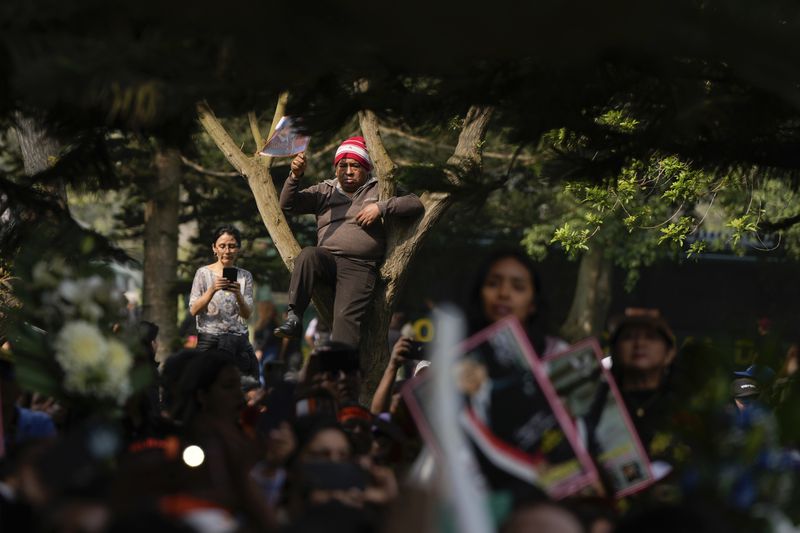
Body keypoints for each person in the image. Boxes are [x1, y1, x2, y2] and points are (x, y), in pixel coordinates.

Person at [273, 137, 424, 346]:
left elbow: (415, 203)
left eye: (355, 165)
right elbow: (288, 204)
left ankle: (343, 371)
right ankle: (294, 318)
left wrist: (380, 207)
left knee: (344, 321)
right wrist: (295, 176)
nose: (348, 171)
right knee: (307, 255)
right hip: (326, 260)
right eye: (342, 165)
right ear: (336, 169)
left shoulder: (380, 188)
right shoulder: (324, 190)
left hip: (359, 266)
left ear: (366, 168)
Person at [189, 225, 259, 378]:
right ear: (214, 248)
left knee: (248, 383)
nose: (227, 251)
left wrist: (238, 294)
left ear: (238, 249)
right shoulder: (203, 273)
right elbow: (194, 310)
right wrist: (212, 289)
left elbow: (246, 314)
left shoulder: (244, 276)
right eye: (222, 246)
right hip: (210, 339)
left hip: (237, 341)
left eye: (232, 246)